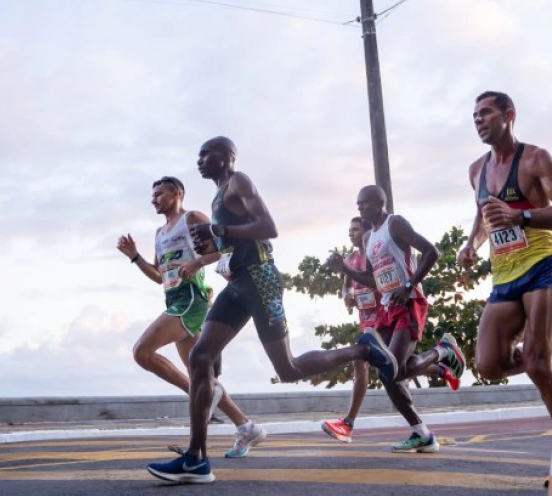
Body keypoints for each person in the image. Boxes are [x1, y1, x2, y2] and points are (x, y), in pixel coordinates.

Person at [146, 138, 396, 484]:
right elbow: (233, 242)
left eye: (207, 153)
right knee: (200, 357)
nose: (199, 159)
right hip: (237, 284)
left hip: (261, 281)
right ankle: (196, 459)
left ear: (227, 156)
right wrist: (211, 248)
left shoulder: (239, 182)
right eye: (198, 154)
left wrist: (219, 230)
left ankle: (364, 349)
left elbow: (269, 228)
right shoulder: (219, 194)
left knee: (289, 368)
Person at [456, 91, 552, 423]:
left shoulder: (535, 159)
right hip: (504, 274)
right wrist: (470, 246)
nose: (478, 120)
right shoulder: (477, 170)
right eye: (475, 115)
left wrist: (521, 217)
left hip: (541, 265)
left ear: (509, 116)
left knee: (536, 366)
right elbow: (484, 217)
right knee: (489, 365)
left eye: (486, 113)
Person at [116, 176, 264, 460]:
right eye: (152, 194)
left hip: (191, 300)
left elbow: (225, 248)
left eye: (159, 193)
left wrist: (198, 261)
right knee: (203, 372)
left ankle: (200, 395)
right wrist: (135, 257)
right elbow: (159, 276)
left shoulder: (192, 218)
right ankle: (247, 426)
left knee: (141, 352)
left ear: (177, 193)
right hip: (173, 299)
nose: (153, 199)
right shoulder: (160, 233)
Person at [326, 185, 466, 453]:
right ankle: (421, 434)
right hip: (388, 306)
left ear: (379, 202)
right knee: (388, 372)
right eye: (357, 204)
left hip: (410, 301)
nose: (360, 208)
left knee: (390, 370)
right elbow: (372, 280)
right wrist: (344, 269)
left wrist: (410, 284)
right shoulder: (369, 238)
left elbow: (431, 252)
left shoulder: (395, 223)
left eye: (363, 203)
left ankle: (443, 351)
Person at [320, 217, 381, 443]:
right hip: (365, 320)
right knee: (361, 364)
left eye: (355, 229)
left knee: (395, 368)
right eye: (349, 230)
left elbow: (377, 281)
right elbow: (346, 284)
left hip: (385, 318)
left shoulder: (374, 254)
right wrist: (346, 294)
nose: (351, 233)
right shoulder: (351, 259)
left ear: (366, 232)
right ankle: (348, 423)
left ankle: (440, 364)